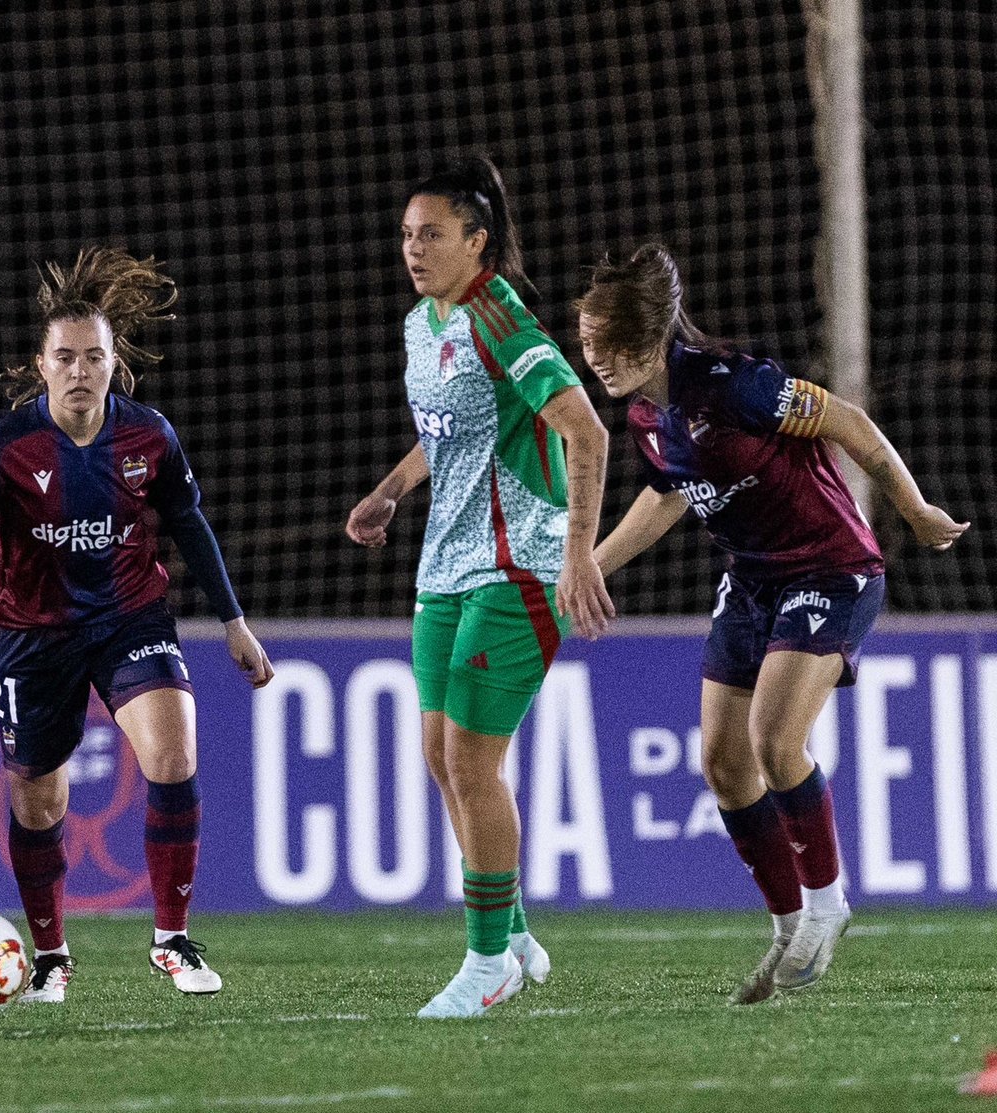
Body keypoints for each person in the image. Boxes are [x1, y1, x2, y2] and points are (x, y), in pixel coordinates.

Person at [577, 243, 967, 1003]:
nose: (594, 358)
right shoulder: (646, 415)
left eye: (605, 343)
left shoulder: (736, 384)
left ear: (651, 335)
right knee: (722, 763)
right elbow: (668, 495)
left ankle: (828, 904)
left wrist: (913, 508)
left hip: (829, 567)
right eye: (586, 343)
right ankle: (788, 923)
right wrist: (591, 563)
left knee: (775, 740)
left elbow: (847, 421)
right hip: (751, 581)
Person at [0, 246, 274, 1003]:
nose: (80, 369)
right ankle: (50, 955)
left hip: (129, 618)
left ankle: (172, 940)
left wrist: (234, 621)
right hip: (33, 634)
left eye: (94, 356)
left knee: (173, 754)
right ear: (41, 365)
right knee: (38, 803)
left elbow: (190, 525)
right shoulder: (2, 450)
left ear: (116, 364)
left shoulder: (150, 437)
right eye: (65, 356)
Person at [346, 156, 614, 1019]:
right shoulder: (422, 325)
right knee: (440, 757)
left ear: (477, 240)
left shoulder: (502, 318)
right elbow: (451, 434)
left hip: (519, 567)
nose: (413, 249)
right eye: (405, 234)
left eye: (431, 234)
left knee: (471, 760)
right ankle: (519, 933)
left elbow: (586, 430)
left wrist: (579, 554)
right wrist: (391, 489)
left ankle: (488, 960)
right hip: (444, 569)